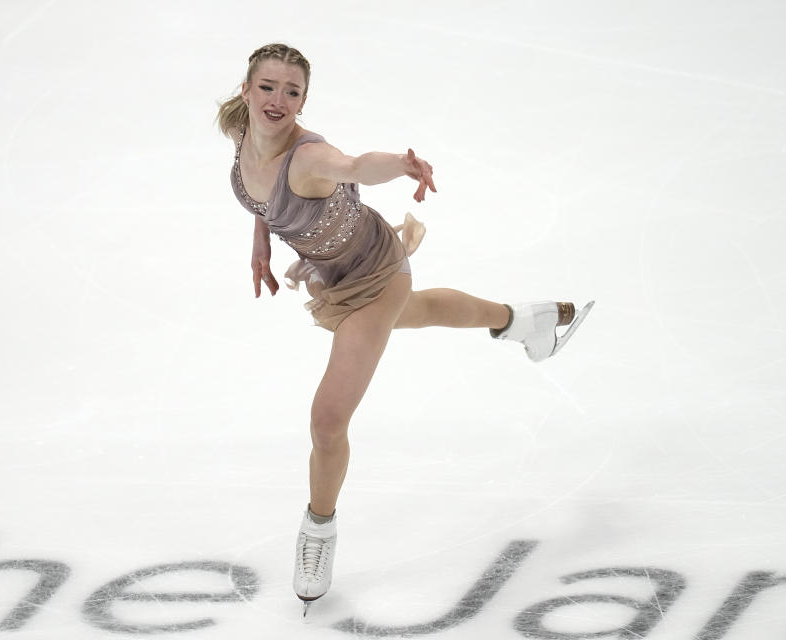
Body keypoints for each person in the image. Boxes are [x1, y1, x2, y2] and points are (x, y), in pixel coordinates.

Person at [216, 43, 592, 613]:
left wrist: (402, 163)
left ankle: (318, 530)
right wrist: (261, 240)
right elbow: (260, 198)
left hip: (373, 274)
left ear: (304, 101)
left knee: (327, 419)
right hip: (331, 278)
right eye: (268, 87)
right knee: (425, 312)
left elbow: (354, 166)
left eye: (292, 92)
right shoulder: (245, 137)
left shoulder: (311, 158)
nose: (279, 100)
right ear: (246, 91)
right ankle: (525, 321)